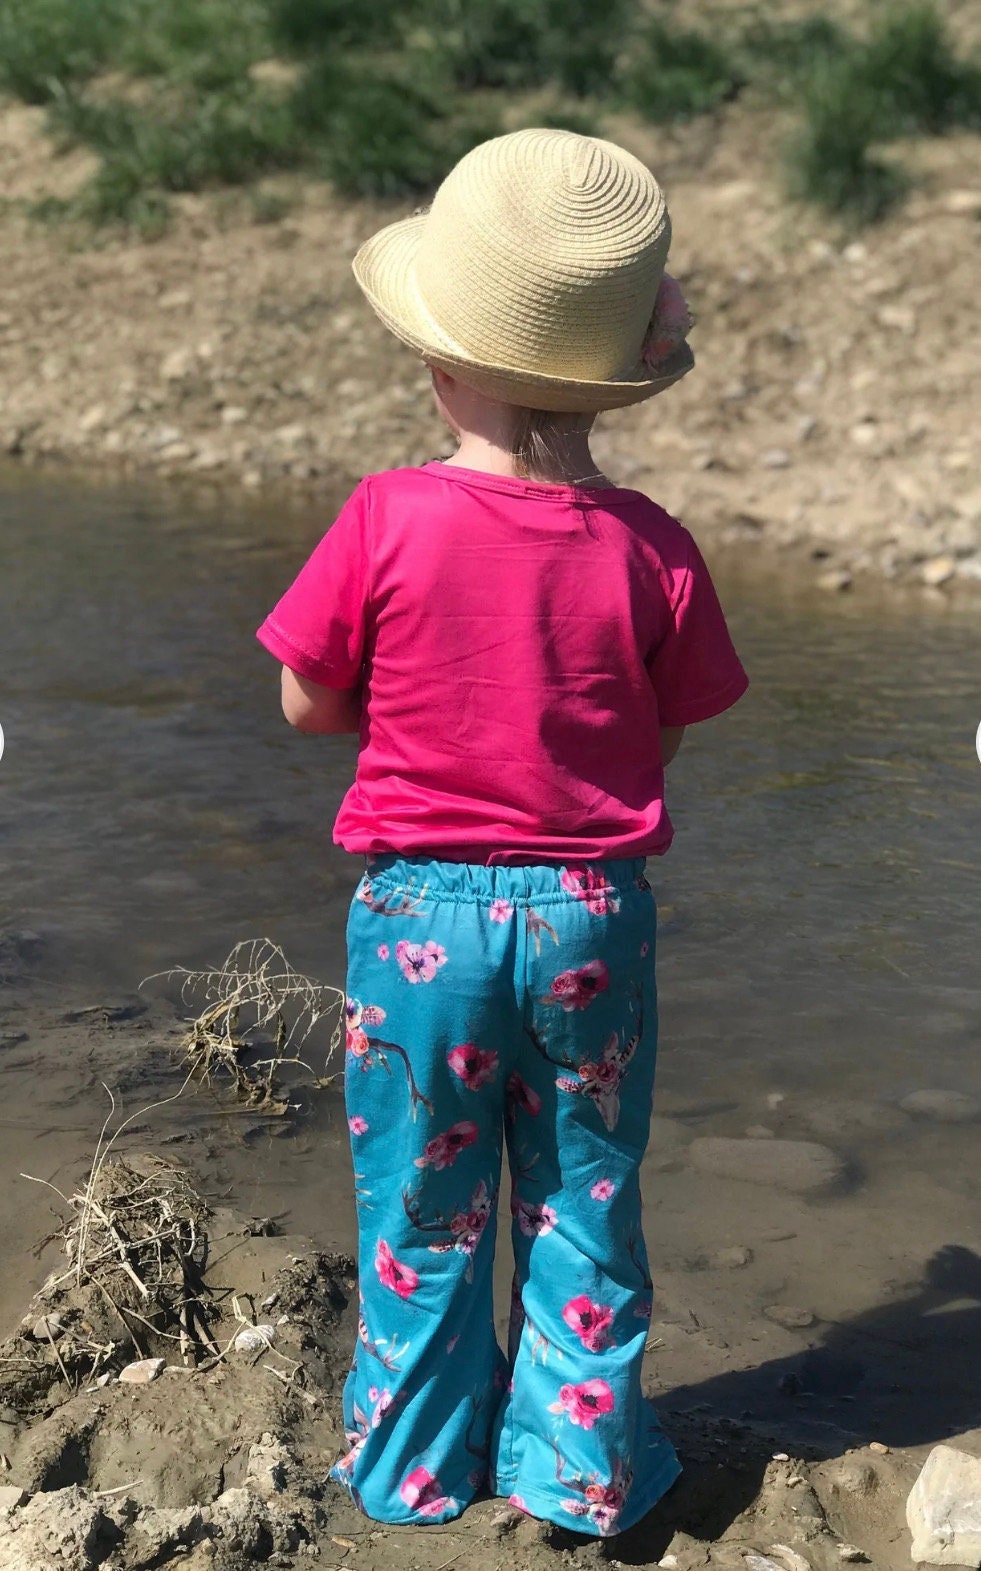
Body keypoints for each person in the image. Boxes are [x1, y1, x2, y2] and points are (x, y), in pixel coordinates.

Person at [255, 127, 748, 1539]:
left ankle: (414, 1474)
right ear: (618, 379)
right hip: (592, 917)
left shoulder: (387, 515)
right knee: (584, 1197)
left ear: (439, 358)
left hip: (420, 926)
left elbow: (303, 701)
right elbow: (655, 736)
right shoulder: (653, 544)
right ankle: (578, 1476)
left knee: (419, 1214)